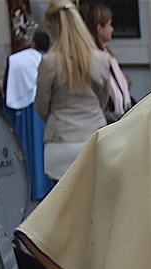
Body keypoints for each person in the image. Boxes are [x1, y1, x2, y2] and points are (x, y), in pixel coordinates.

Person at [36, 0, 111, 182]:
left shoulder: (49, 62)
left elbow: (42, 106)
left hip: (61, 139)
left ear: (54, 27)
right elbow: (104, 99)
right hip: (94, 136)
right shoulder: (100, 59)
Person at [5, 31, 51, 200]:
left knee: (25, 148)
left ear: (33, 43)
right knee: (40, 150)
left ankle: (27, 187)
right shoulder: (46, 61)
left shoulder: (17, 60)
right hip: (40, 110)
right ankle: (41, 187)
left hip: (22, 112)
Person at [81, 3, 132, 122]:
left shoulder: (107, 54)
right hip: (107, 122)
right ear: (99, 28)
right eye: (109, 24)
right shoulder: (92, 59)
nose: (112, 29)